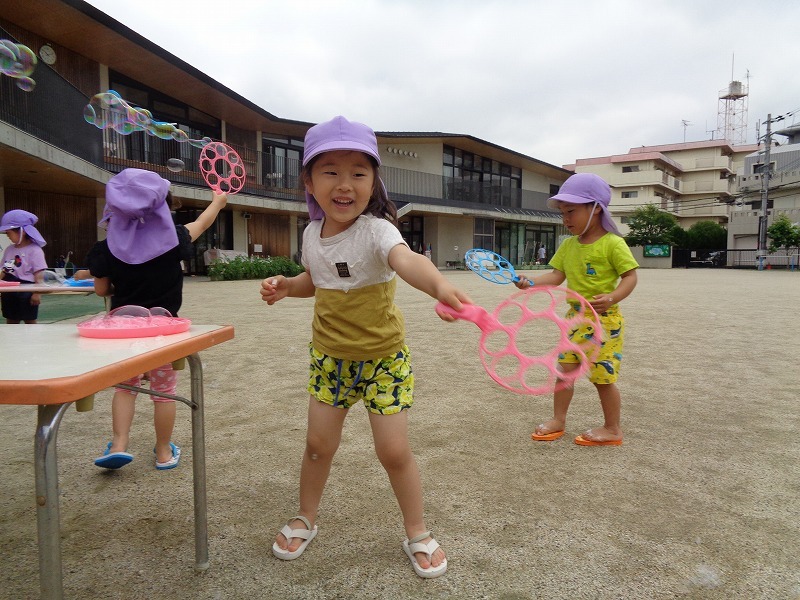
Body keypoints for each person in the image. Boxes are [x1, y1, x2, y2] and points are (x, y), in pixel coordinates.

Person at [260, 116, 472, 578]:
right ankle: (305, 517)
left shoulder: (378, 231)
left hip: (383, 362)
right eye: (330, 170)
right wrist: (285, 287)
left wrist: (437, 285)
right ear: (309, 181)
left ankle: (416, 530)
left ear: (374, 181)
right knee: (318, 445)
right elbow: (312, 281)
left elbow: (407, 260)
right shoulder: (309, 235)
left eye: (358, 172)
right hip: (330, 360)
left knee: (394, 453)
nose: (345, 183)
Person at [75, 168, 227, 470]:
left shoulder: (105, 249)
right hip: (163, 328)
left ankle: (119, 444)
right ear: (162, 205)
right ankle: (163, 452)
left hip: (122, 330)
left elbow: (102, 289)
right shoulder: (175, 240)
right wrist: (218, 202)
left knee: (125, 388)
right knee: (164, 392)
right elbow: (202, 222)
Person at [515, 173, 638, 446]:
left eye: (571, 211)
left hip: (604, 320)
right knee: (565, 371)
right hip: (575, 319)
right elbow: (556, 276)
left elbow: (630, 277)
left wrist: (613, 296)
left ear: (596, 209)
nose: (566, 219)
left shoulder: (613, 243)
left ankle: (613, 428)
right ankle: (559, 419)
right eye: (562, 213)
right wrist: (530, 282)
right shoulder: (568, 245)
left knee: (602, 377)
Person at [0, 209, 48, 324]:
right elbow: (5, 269)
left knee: (30, 320)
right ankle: (12, 341)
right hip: (9, 289)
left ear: (22, 231)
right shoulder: (9, 250)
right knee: (11, 319)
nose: (7, 236)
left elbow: (39, 276)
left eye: (9, 233)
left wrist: (37, 293)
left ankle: (32, 341)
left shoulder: (35, 250)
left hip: (28, 290)